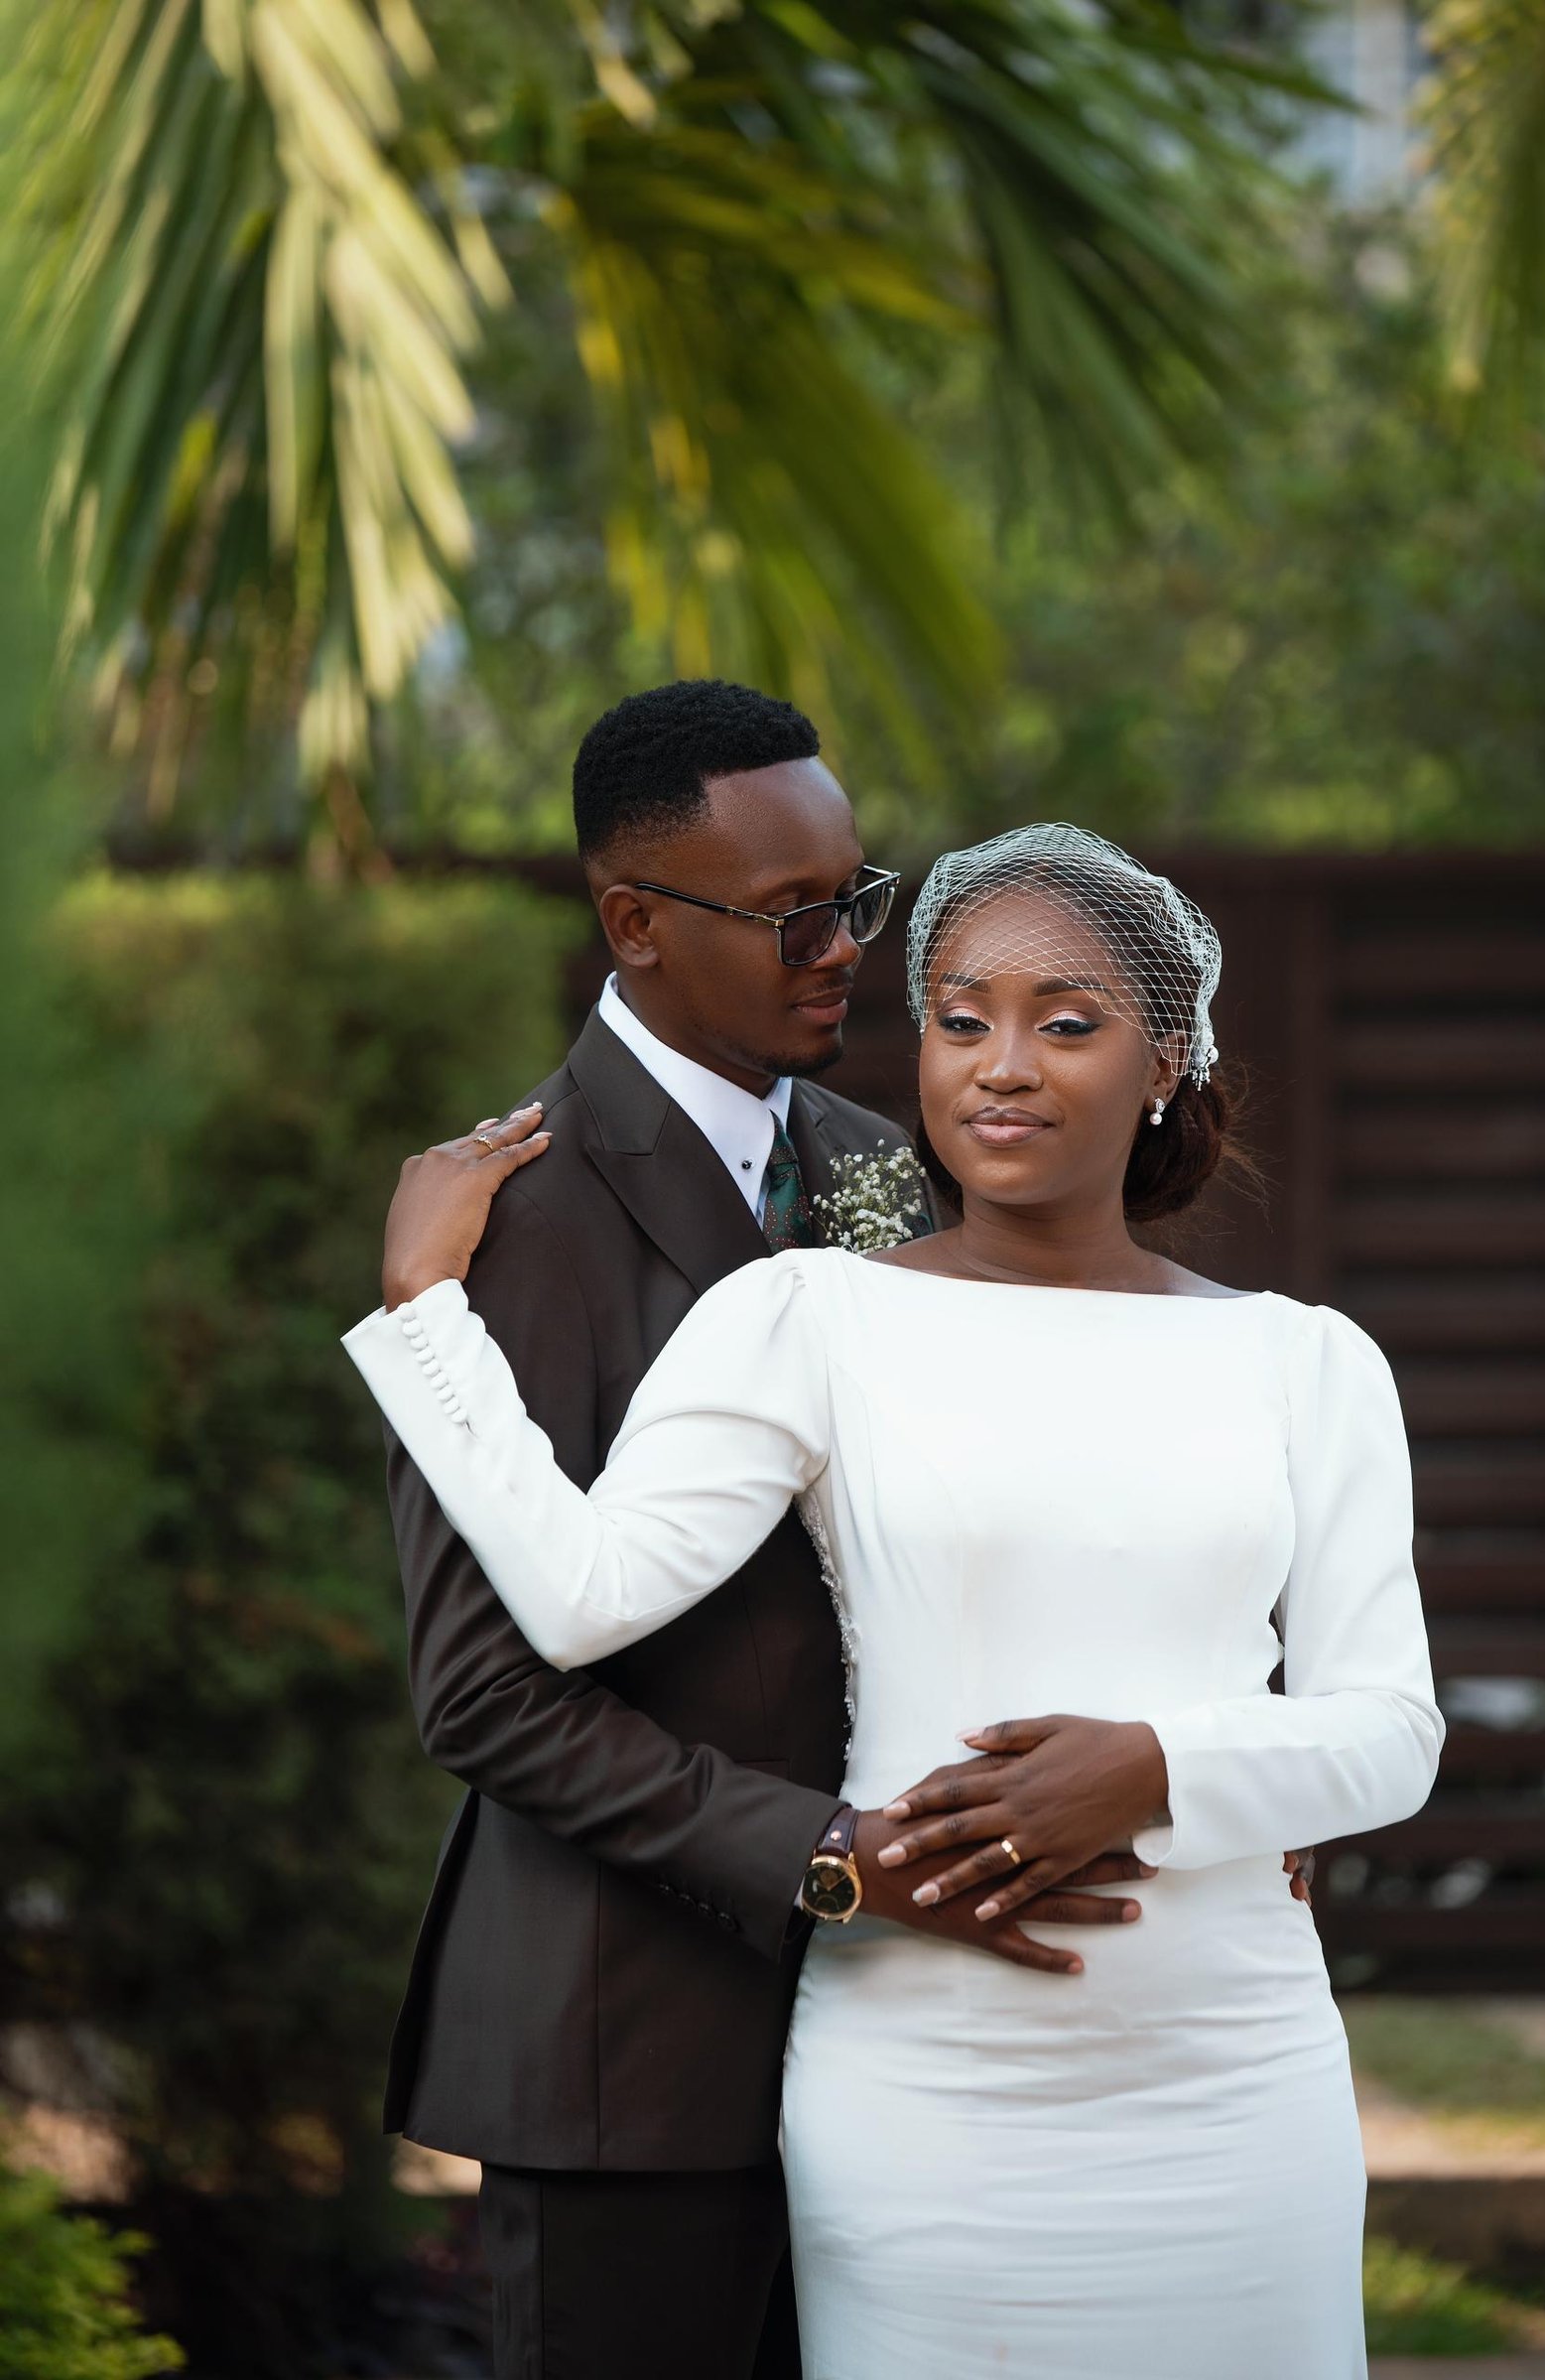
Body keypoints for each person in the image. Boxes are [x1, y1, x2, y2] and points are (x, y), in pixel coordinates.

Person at [349, 819, 1443, 2379]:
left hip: (1234, 2073)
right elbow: (583, 1595)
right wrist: (425, 1319)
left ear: (1165, 1063)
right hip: (930, 2080)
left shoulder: (1310, 1362)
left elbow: (1389, 1730)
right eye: (960, 1018)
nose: (1004, 1064)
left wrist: (1159, 1767)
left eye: (1068, 1022)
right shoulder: (809, 1315)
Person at [373, 692, 1160, 2380]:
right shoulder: (516, 1220)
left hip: (907, 2039)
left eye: (855, 896)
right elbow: (483, 1696)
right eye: (793, 914)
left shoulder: (884, 1167)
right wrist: (828, 1855)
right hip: (633, 2054)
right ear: (634, 924)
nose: (845, 949)